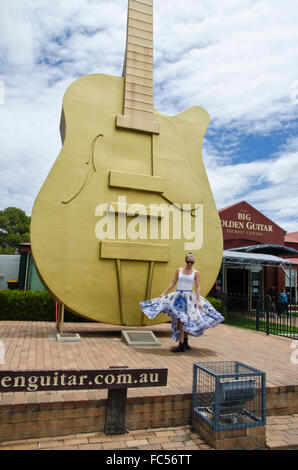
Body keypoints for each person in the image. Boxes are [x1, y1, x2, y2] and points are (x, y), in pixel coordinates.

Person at [139, 252, 225, 353]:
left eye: (192, 262)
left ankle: (185, 343)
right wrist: (164, 293)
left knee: (187, 320)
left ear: (194, 262)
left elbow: (197, 286)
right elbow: (173, 283)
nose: (190, 264)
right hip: (178, 297)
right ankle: (181, 344)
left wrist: (198, 300)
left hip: (189, 298)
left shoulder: (195, 272)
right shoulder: (179, 270)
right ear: (185, 261)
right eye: (188, 262)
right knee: (181, 320)